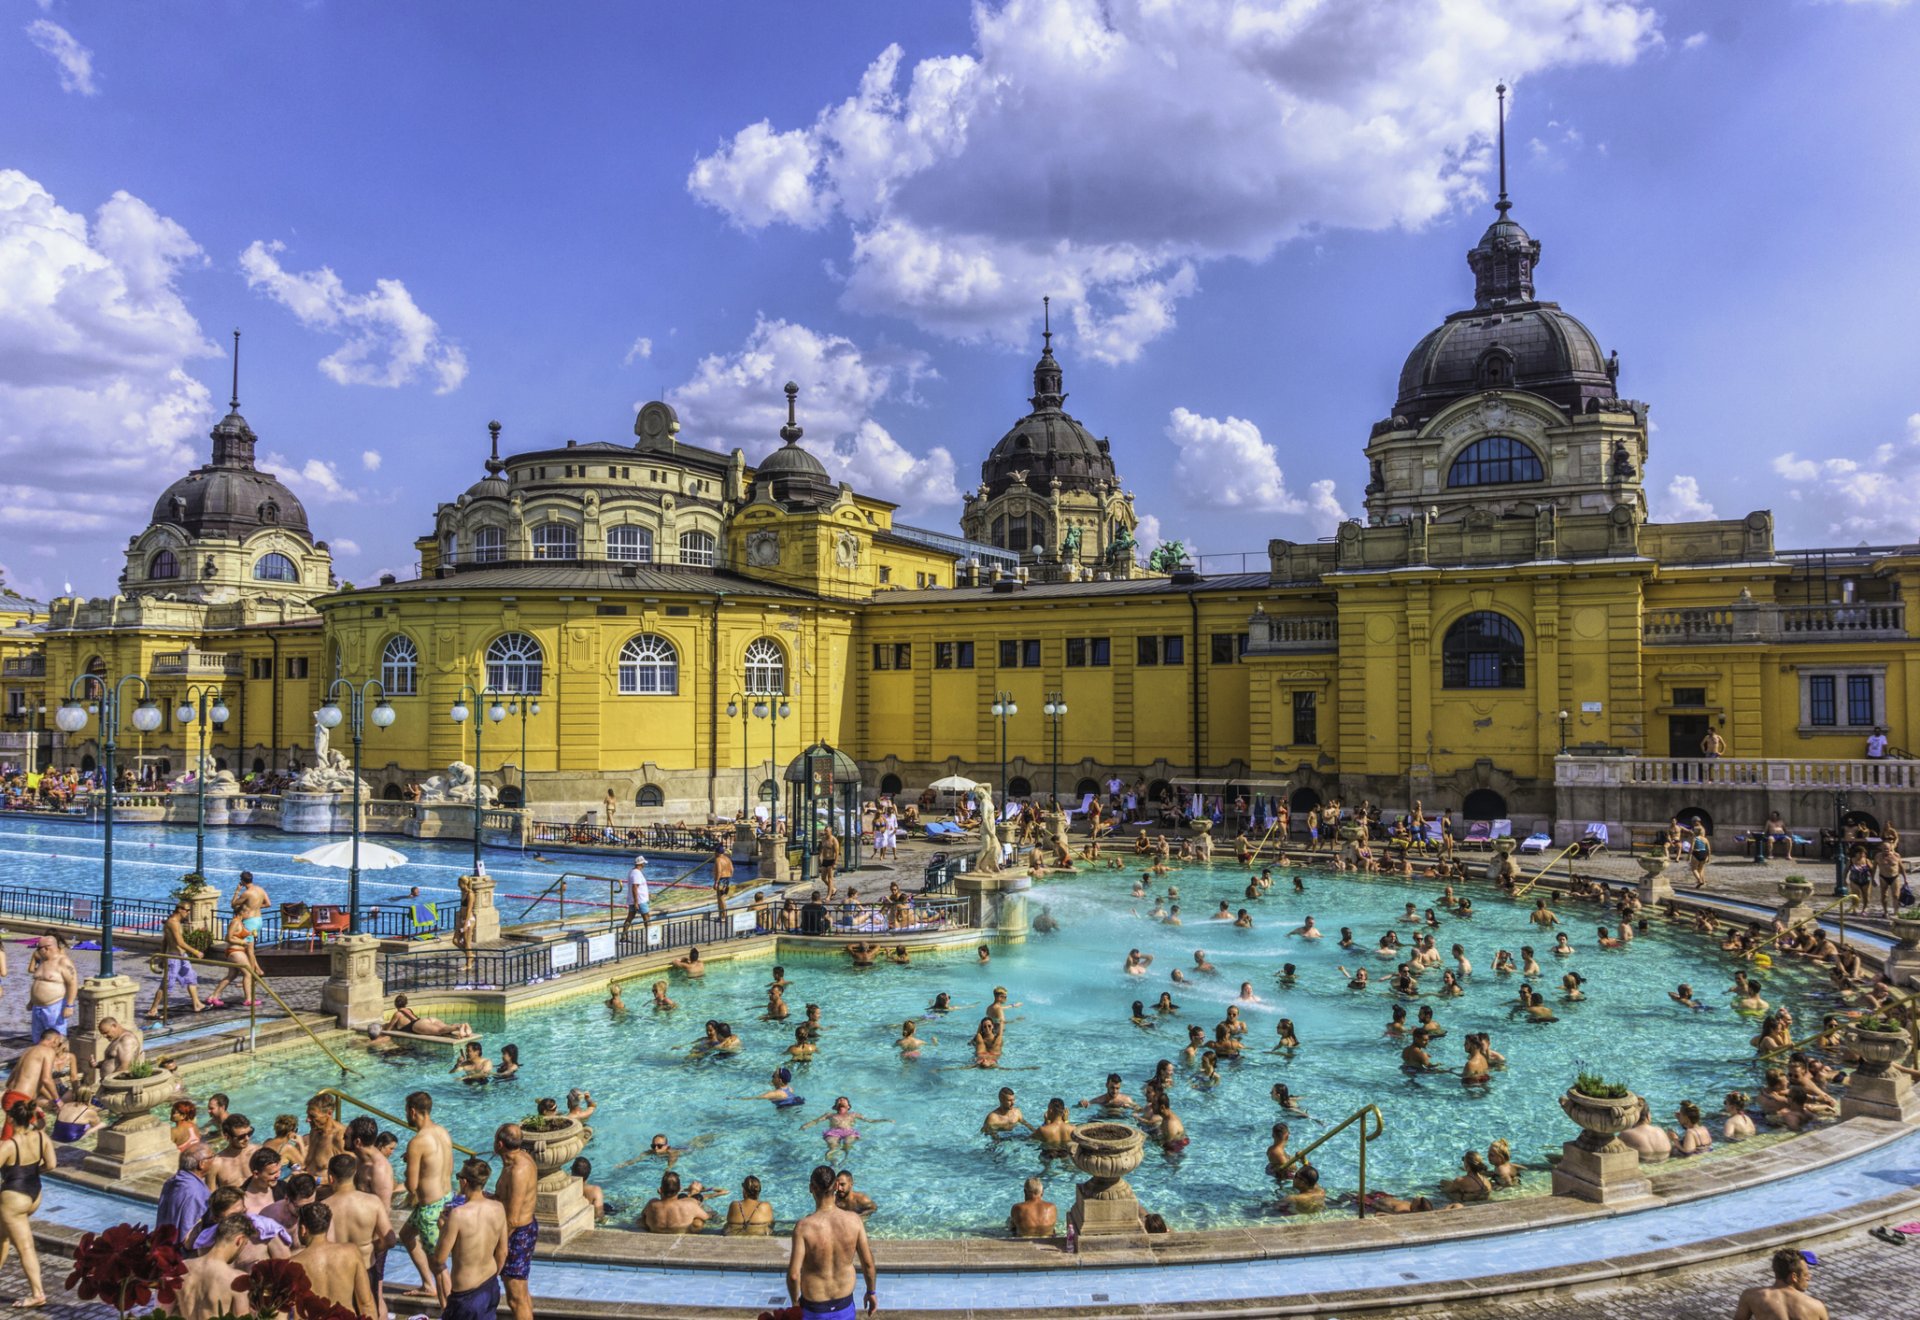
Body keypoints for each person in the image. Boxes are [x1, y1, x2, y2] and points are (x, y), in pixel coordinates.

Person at [786, 1163, 877, 1320]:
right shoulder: (854, 1221)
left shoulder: (803, 1227)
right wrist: (871, 1292)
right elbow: (868, 1264)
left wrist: (795, 1304)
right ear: (836, 1185)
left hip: (814, 1309)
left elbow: (794, 1275)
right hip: (845, 1306)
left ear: (811, 1188)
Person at [322, 1151, 394, 1320]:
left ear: (331, 1177)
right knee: (369, 1312)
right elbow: (390, 1240)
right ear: (355, 1174)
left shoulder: (324, 1207)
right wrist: (372, 1247)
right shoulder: (372, 1202)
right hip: (366, 1267)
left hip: (337, 1272)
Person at [435, 1158, 508, 1320]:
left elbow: (439, 1258)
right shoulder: (498, 1208)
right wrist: (494, 1276)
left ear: (464, 1181)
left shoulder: (458, 1215)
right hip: (490, 1286)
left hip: (465, 1294)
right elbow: (503, 1251)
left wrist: (443, 1227)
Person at [400, 1090, 455, 1306]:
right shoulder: (443, 1132)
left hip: (429, 1210)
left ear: (413, 1112)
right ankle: (427, 1284)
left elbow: (411, 1186)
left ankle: (449, 1312)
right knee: (406, 1234)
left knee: (439, 1267)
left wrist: (409, 1168)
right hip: (447, 1200)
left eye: (406, 1111)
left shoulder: (417, 1142)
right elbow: (449, 1168)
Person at [0, 1098, 51, 1307]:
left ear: (10, 1118)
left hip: (14, 1198)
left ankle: (37, 1293)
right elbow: (52, 1164)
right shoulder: (41, 1137)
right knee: (2, 1237)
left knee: (25, 1247)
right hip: (34, 1193)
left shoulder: (9, 1145)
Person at [291, 1201, 376, 1319]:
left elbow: (296, 1313)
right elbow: (366, 1303)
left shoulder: (294, 1264)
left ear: (303, 1229)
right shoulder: (351, 1253)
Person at [174, 1215, 259, 1320]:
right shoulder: (237, 1280)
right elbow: (242, 1317)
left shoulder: (180, 1268)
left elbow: (164, 1312)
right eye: (245, 1244)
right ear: (239, 1240)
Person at [1732, 1247, 1827, 1320]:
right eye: (1806, 1274)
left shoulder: (1751, 1296)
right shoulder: (1816, 1306)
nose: (1809, 1278)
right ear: (1794, 1277)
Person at [149, 900, 207, 1019]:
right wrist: (195, 951)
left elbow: (164, 940)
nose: (188, 913)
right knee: (167, 984)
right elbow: (179, 942)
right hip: (174, 957)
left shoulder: (176, 922)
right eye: (187, 910)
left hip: (182, 956)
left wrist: (161, 955)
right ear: (179, 910)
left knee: (191, 978)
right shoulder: (173, 922)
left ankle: (197, 1004)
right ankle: (153, 1010)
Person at [156, 1147, 212, 1241]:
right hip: (179, 1250)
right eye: (212, 1157)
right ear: (201, 1164)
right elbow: (188, 1229)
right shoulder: (197, 1192)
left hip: (162, 1243)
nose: (215, 1160)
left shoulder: (172, 1181)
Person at [25, 938, 75, 1042]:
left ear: (46, 948)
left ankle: (59, 1057)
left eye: (39, 948)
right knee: (38, 1038)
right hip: (37, 1007)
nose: (37, 951)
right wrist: (31, 1001)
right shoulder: (43, 960)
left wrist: (69, 1005)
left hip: (54, 1006)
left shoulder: (63, 961)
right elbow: (38, 983)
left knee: (56, 1038)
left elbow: (72, 983)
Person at [641, 1170, 712, 1232]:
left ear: (660, 1189)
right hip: (683, 1231)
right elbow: (706, 1217)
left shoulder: (652, 1203)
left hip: (656, 1231)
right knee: (699, 1221)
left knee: (642, 1220)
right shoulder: (689, 1204)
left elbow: (642, 1215)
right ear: (679, 1189)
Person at [573, 1157, 606, 1222]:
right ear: (589, 1172)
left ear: (572, 1172)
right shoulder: (595, 1191)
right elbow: (599, 1215)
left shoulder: (567, 1189)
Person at [624, 855, 651, 933]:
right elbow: (635, 887)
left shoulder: (632, 871)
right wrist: (636, 902)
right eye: (643, 863)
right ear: (641, 864)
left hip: (634, 900)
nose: (644, 865)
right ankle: (650, 937)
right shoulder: (637, 873)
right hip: (640, 901)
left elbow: (637, 887)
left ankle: (623, 936)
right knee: (646, 918)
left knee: (630, 918)